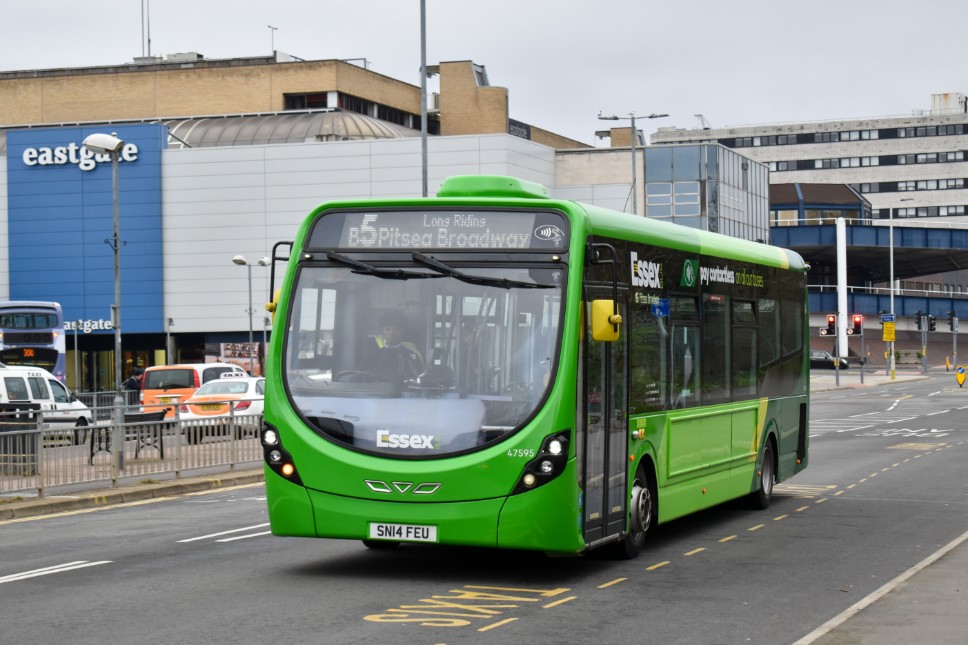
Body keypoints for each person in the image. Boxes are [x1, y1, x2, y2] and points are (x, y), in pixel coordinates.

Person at [360, 310, 424, 382]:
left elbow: (419, 380)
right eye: (387, 329)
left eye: (396, 329)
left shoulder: (410, 356)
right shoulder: (372, 355)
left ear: (403, 332)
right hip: (376, 391)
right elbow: (359, 377)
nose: (391, 333)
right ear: (382, 331)